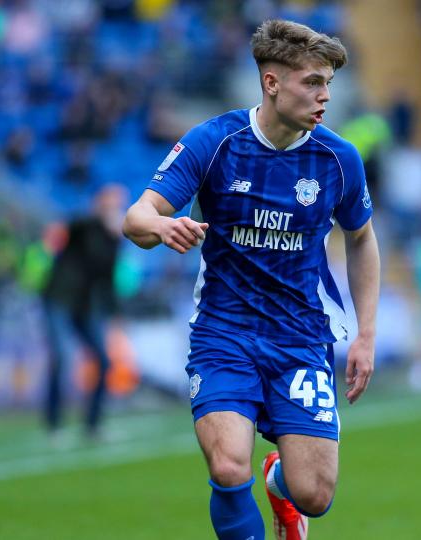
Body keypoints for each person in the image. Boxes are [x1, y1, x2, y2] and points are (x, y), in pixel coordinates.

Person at [122, 20, 380, 540]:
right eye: (312, 82)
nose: (324, 96)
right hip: (224, 331)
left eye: (327, 83)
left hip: (301, 337)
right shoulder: (215, 142)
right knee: (227, 466)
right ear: (271, 83)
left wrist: (366, 334)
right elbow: (136, 218)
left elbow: (361, 239)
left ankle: (282, 485)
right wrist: (162, 224)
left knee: (316, 494)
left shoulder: (338, 158)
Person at [43, 184, 126, 441]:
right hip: (60, 297)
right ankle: (54, 422)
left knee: (103, 360)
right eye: (110, 203)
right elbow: (70, 226)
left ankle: (93, 423)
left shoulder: (113, 240)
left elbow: (108, 278)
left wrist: (114, 312)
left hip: (85, 304)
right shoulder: (84, 226)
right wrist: (99, 218)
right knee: (61, 357)